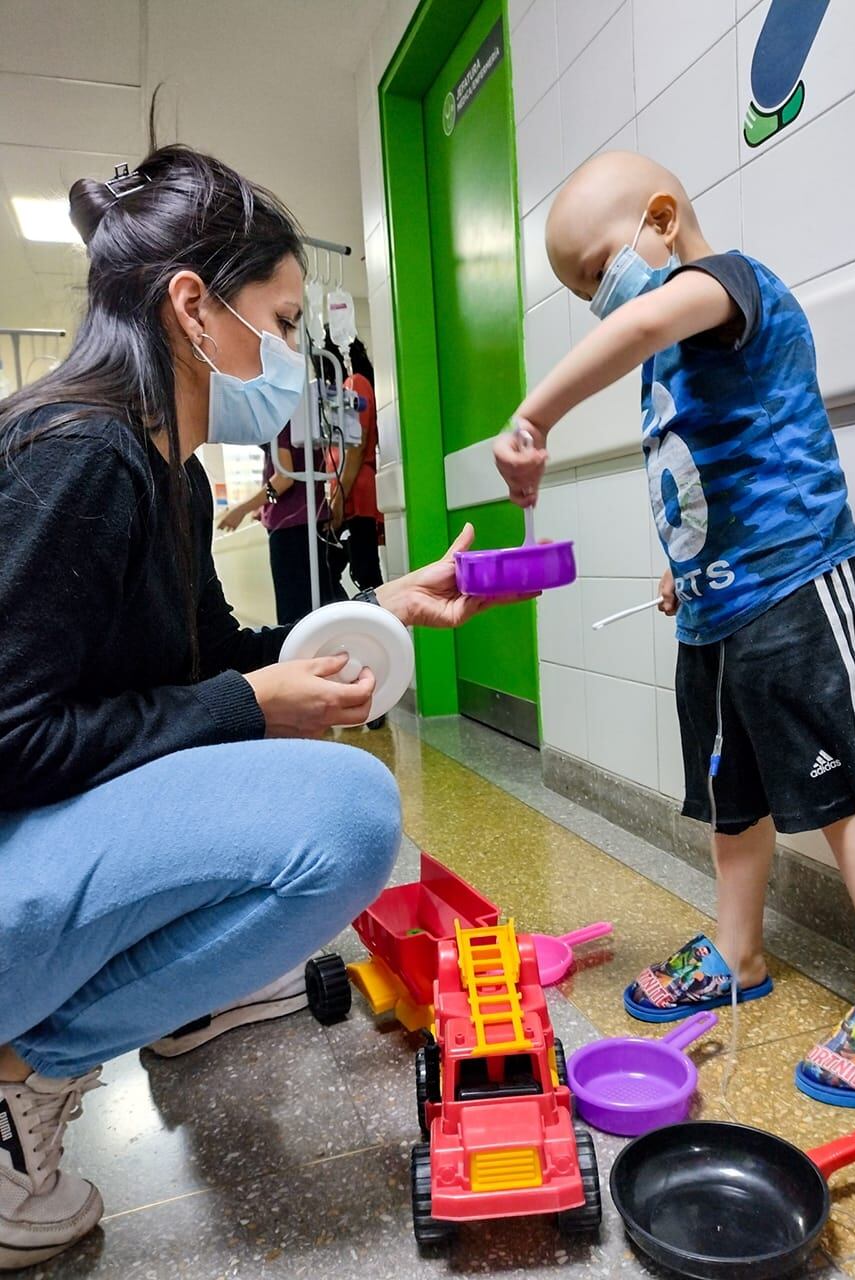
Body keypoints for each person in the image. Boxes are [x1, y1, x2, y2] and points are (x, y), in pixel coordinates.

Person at [0, 137, 512, 1271]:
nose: (293, 359)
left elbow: (213, 657)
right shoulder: (77, 454)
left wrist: (375, 606)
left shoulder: (163, 472)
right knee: (342, 810)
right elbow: (11, 739)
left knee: (318, 805)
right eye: (280, 326)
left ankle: (43, 1050)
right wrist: (246, 703)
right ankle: (20, 1068)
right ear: (192, 306)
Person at [494, 150, 855, 1108]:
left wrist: (533, 416)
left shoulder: (726, 284)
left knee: (843, 794)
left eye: (595, 272)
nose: (598, 299)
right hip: (713, 609)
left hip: (796, 585)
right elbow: (699, 469)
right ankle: (739, 949)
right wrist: (682, 569)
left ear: (662, 219)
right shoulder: (665, 345)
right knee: (728, 798)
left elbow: (649, 315)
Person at [218, 420, 347, 621]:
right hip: (312, 521)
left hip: (291, 529)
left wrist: (242, 509)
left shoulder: (282, 421)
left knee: (296, 615)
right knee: (325, 603)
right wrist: (265, 507)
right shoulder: (303, 418)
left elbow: (284, 479)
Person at [321, 328, 384, 595]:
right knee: (344, 569)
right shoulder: (351, 387)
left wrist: (338, 502)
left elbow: (355, 449)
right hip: (350, 488)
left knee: (364, 572)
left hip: (356, 491)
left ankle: (383, 630)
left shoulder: (355, 384)